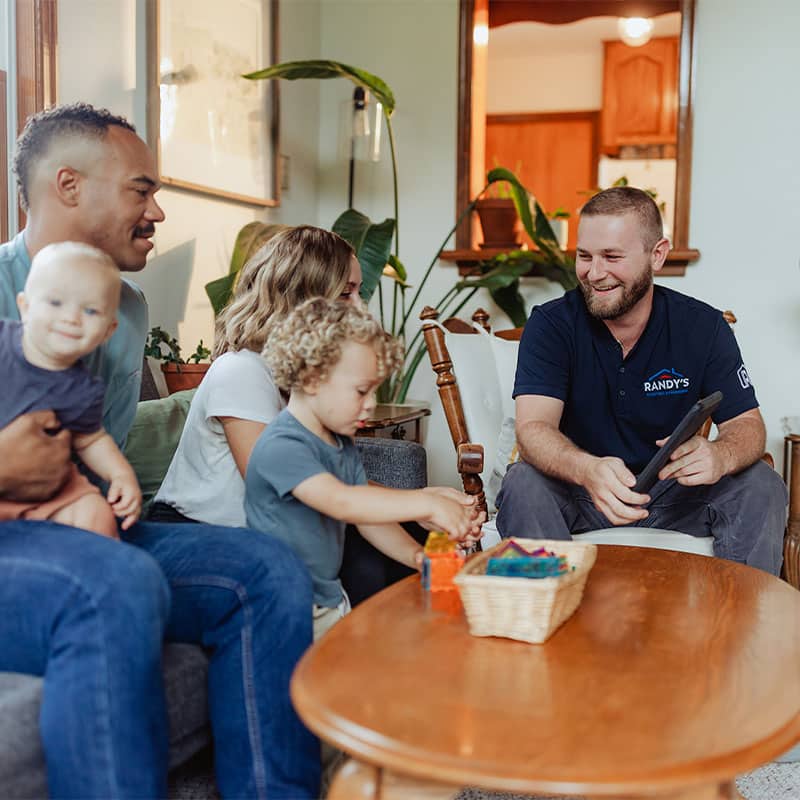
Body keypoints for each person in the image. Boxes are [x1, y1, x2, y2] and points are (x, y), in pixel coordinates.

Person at [0, 103, 319, 798]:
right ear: (69, 185)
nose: (158, 212)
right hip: (18, 546)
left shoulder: (128, 311)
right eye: (142, 190)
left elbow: (98, 448)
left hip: (89, 523)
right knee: (113, 581)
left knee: (267, 570)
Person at [150, 224, 480, 605]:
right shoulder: (241, 371)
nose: (360, 307)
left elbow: (342, 483)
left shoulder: (317, 387)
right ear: (302, 299)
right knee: (364, 561)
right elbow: (302, 484)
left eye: (359, 292)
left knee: (404, 546)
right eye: (346, 293)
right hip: (197, 531)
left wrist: (417, 515)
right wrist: (418, 501)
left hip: (275, 526)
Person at [495, 186, 787, 575]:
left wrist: (721, 455)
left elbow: (747, 425)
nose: (594, 273)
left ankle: (742, 628)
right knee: (523, 482)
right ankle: (546, 619)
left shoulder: (704, 326)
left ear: (658, 255)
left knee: (761, 483)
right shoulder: (551, 324)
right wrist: (586, 470)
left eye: (612, 257)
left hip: (673, 496)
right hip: (582, 492)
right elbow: (532, 429)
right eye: (585, 256)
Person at [246, 298, 480, 638]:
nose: (371, 403)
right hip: (281, 604)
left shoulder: (340, 442)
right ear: (312, 378)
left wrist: (416, 555)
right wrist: (427, 503)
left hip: (325, 597)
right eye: (361, 391)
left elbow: (367, 519)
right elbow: (341, 501)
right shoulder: (281, 446)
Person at [0, 241, 140, 536]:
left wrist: (119, 473)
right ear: (24, 307)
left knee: (95, 512)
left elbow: (90, 440)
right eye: (55, 303)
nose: (71, 318)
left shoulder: (84, 388)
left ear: (108, 331)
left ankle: (103, 562)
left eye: (90, 310)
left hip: (50, 491)